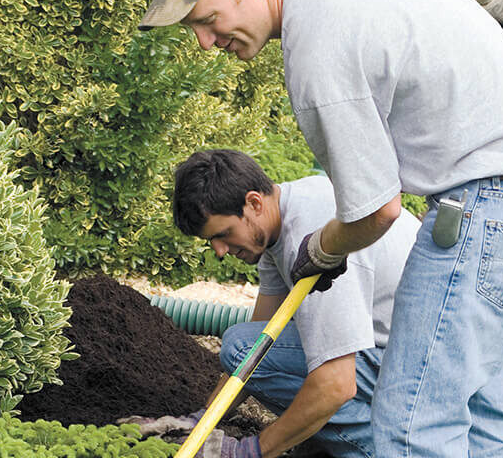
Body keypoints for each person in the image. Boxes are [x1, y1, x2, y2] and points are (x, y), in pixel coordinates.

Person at [139, 0, 503, 457]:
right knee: (481, 419)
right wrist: (492, 13)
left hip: (485, 206)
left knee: (413, 427)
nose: (206, 42)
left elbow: (378, 212)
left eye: (207, 19)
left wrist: (319, 249)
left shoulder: (316, 51)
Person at [163, 148, 417, 458]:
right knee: (248, 346)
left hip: (412, 368)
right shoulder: (276, 227)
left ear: (254, 202)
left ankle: (396, 449)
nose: (219, 250)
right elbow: (255, 354)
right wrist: (200, 422)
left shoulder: (312, 234)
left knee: (241, 346)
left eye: (224, 234)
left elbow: (337, 384)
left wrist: (251, 451)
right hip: (389, 355)